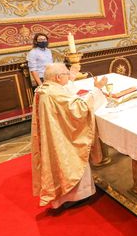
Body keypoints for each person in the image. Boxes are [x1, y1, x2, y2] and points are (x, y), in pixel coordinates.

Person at [31, 63, 108, 208]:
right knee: (72, 159)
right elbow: (80, 109)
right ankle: (76, 196)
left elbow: (65, 96)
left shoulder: (44, 89)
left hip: (56, 133)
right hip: (65, 137)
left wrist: (71, 75)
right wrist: (98, 89)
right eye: (66, 74)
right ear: (58, 77)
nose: (68, 76)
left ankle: (64, 195)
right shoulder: (55, 93)